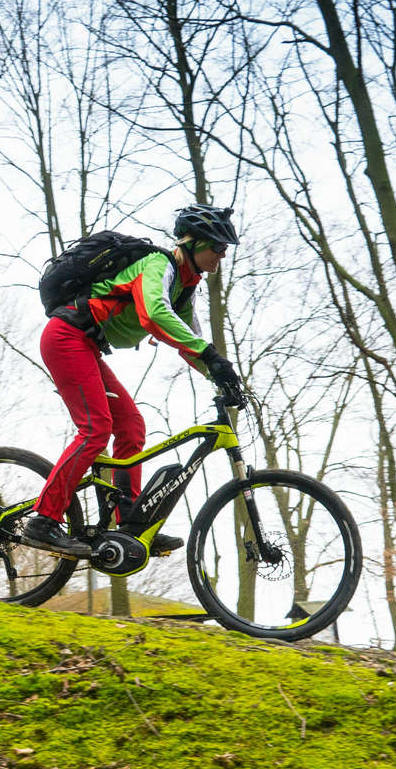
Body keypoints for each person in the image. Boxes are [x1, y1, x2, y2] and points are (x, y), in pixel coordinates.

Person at [21, 204, 243, 558]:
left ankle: (132, 524)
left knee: (131, 425)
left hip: (86, 345)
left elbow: (188, 341)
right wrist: (211, 356)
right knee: (96, 429)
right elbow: (154, 313)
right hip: (66, 337)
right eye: (217, 247)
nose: (221, 256)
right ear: (194, 243)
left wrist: (219, 376)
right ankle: (44, 521)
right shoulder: (158, 266)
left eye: (224, 250)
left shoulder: (184, 288)